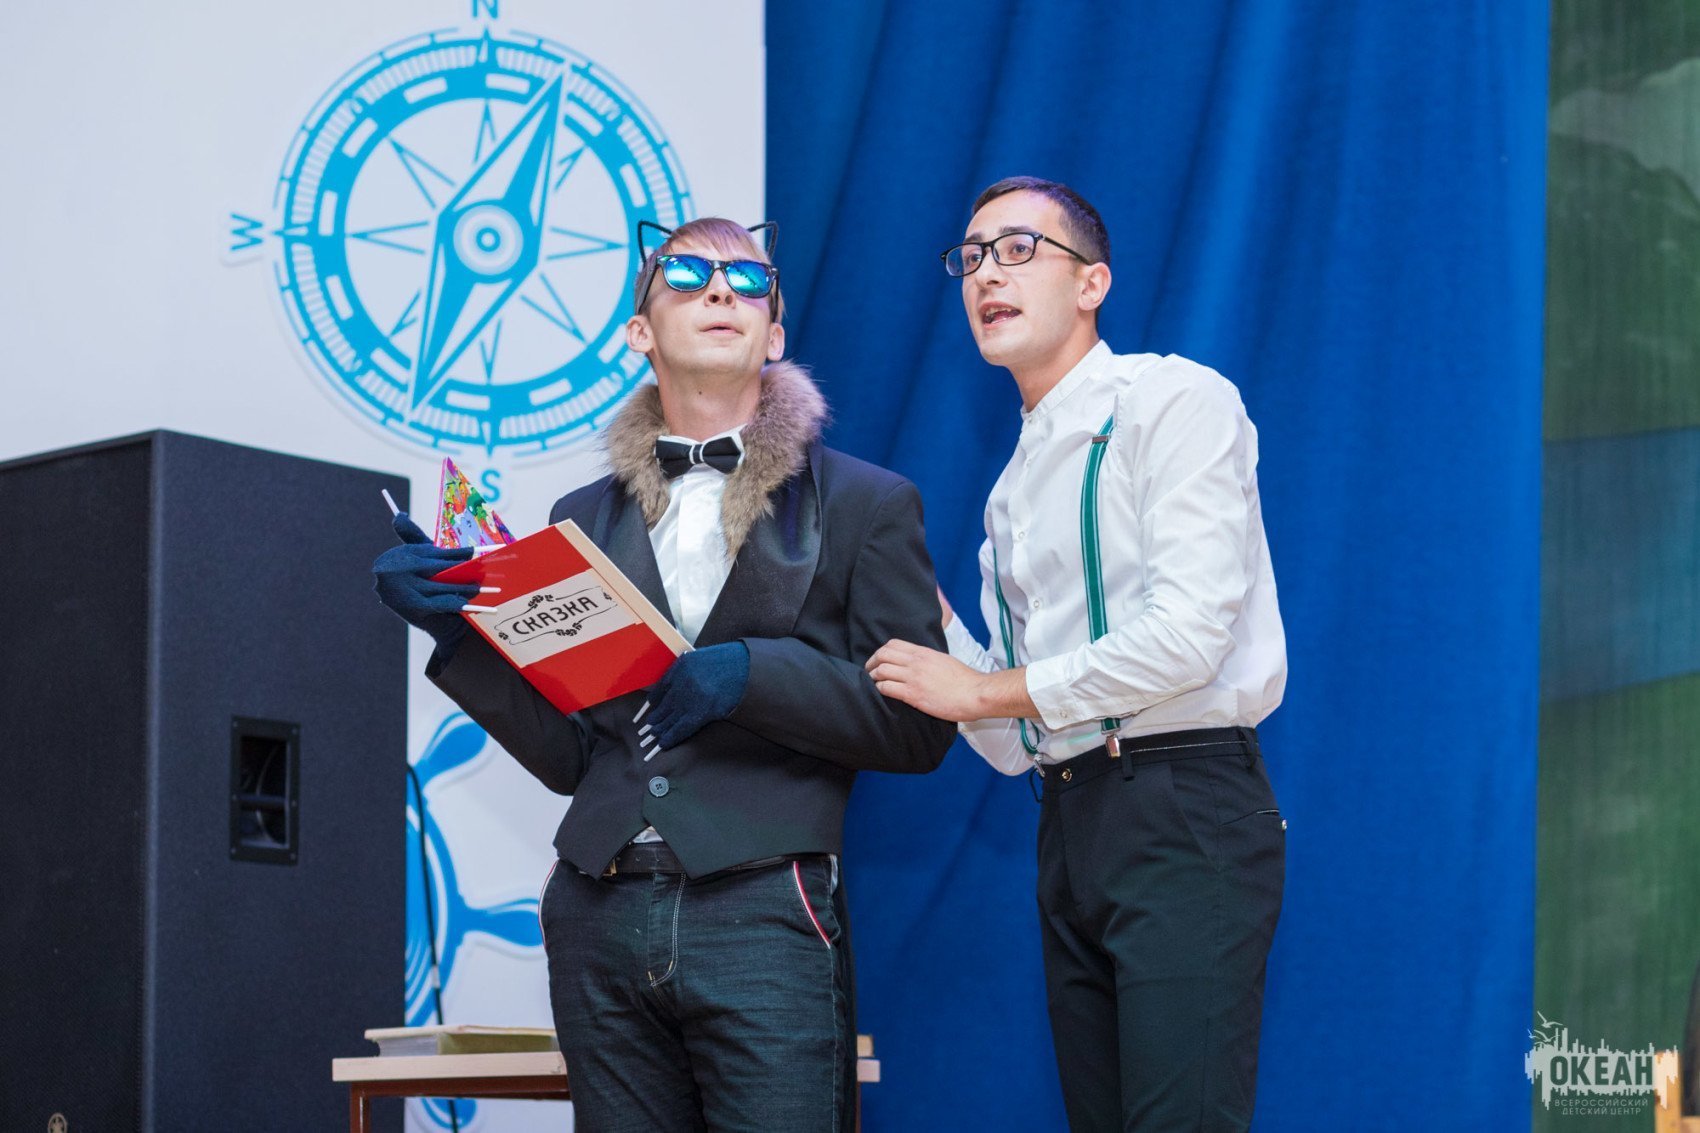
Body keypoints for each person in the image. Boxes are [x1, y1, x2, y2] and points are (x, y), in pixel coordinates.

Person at [373, 216, 956, 1132]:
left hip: (764, 906)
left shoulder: (869, 502)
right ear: (640, 333)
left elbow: (920, 728)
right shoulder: (577, 515)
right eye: (686, 275)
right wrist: (456, 637)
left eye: (748, 280)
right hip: (595, 908)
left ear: (775, 335)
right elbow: (573, 755)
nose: (720, 289)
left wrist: (752, 674)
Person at [866, 177, 1287, 1132]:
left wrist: (980, 689)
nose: (987, 274)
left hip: (1184, 801)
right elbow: (1014, 740)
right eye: (971, 257)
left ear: (1092, 282)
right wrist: (923, 616)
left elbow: (1188, 636)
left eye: (1018, 249)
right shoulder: (1007, 495)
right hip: (1067, 819)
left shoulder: (1171, 398)